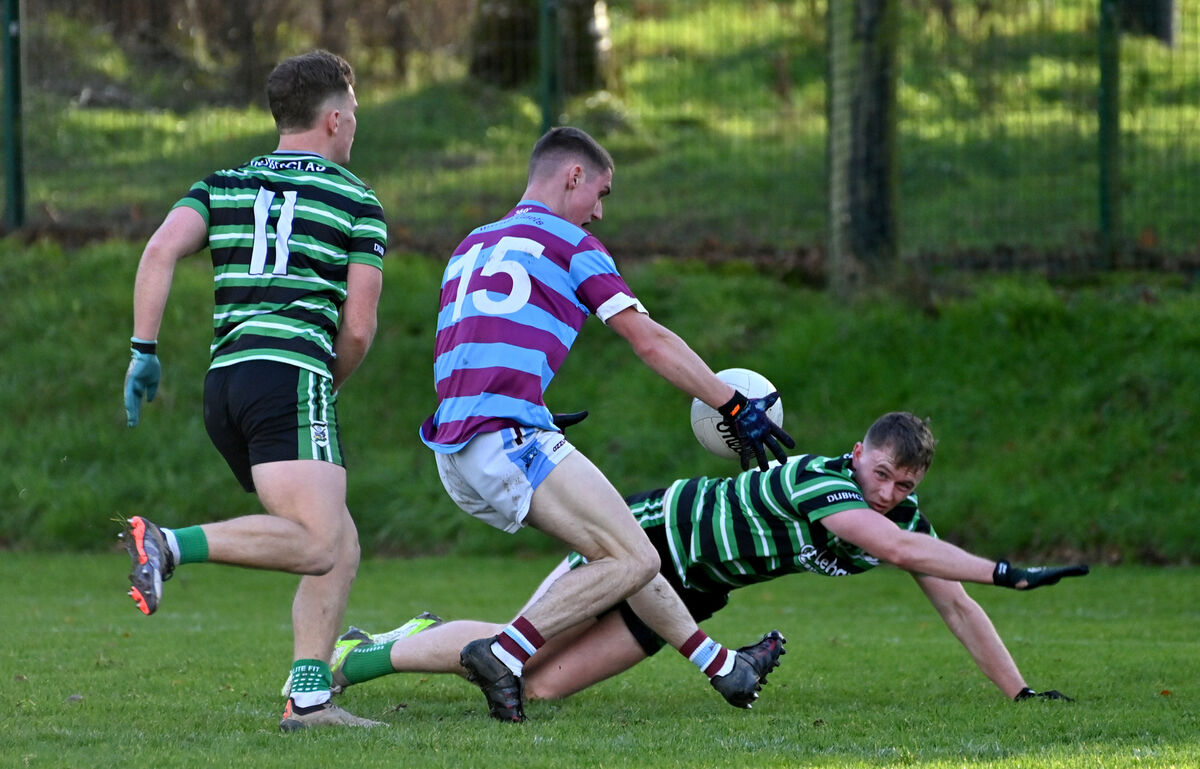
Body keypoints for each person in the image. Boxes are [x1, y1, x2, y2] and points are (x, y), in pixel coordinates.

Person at [314, 411, 1088, 711]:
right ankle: (369, 651)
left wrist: (1019, 691)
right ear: (858, 455)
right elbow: (890, 546)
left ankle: (429, 633)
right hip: (638, 542)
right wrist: (1004, 568)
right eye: (880, 474)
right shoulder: (822, 479)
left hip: (694, 592)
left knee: (543, 686)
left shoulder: (903, 517)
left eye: (904, 484)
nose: (888, 493)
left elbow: (951, 597)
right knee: (523, 650)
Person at [417, 126, 794, 721]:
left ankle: (725, 669)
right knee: (636, 561)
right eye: (602, 192)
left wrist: (522, 401)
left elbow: (469, 348)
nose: (598, 212)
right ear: (574, 177)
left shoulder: (471, 244)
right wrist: (733, 404)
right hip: (509, 437)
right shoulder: (571, 244)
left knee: (624, 552)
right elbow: (650, 342)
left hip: (457, 445)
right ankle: (502, 653)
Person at [119, 49, 388, 732]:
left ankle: (309, 697)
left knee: (341, 540)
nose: (354, 130)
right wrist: (329, 383)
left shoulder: (224, 183)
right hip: (291, 372)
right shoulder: (356, 200)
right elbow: (357, 328)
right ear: (333, 120)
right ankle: (170, 544)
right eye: (353, 118)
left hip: (226, 383)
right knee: (319, 542)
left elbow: (159, 250)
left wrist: (143, 351)